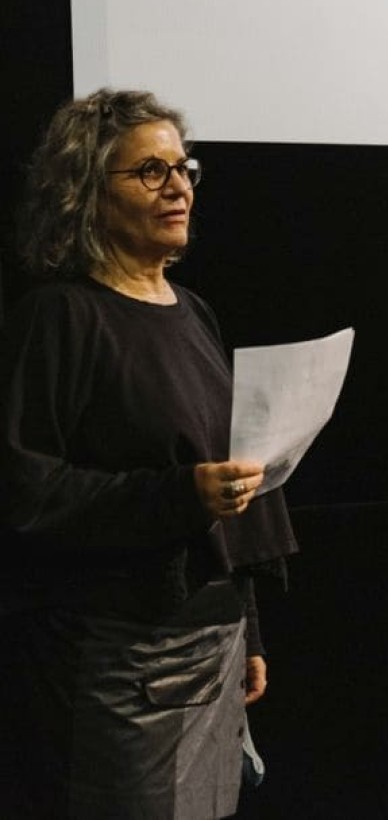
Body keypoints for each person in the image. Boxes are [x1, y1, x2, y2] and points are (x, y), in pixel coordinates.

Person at [0, 89, 298, 817]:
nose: (178, 187)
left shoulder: (192, 310)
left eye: (184, 167)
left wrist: (247, 627)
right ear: (86, 195)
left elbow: (226, 475)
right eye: (151, 171)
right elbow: (28, 492)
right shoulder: (62, 317)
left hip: (210, 640)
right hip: (120, 656)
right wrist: (179, 495)